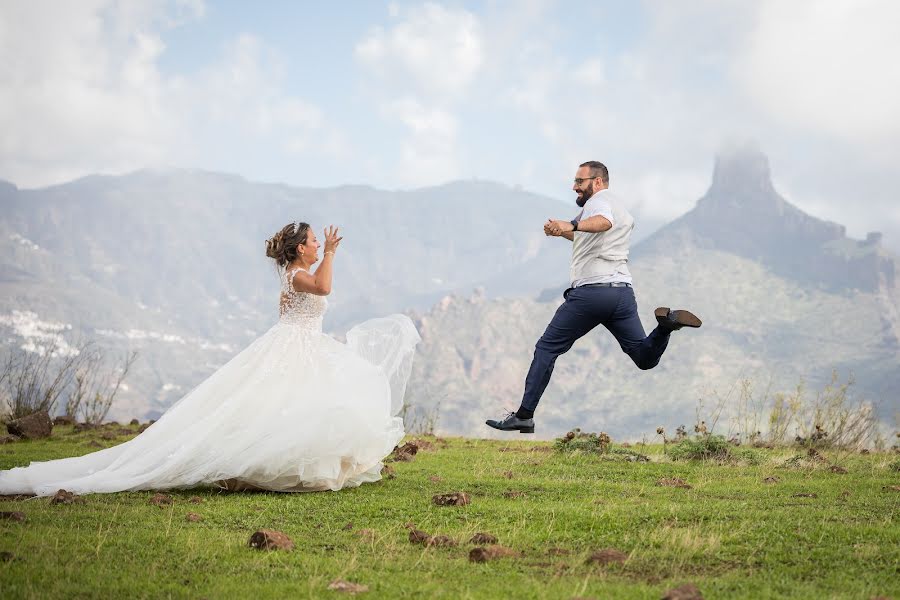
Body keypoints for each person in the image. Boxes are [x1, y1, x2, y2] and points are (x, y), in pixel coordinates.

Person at [0, 222, 420, 495]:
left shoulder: (292, 276)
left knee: (301, 409)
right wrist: (332, 253)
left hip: (303, 344)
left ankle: (293, 468)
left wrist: (325, 254)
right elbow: (325, 289)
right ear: (300, 250)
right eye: (312, 241)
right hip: (295, 346)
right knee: (291, 407)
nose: (318, 244)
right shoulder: (298, 274)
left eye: (317, 243)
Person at [486, 161, 701, 434]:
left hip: (591, 293)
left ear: (597, 182)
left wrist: (571, 225)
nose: (574, 186)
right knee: (644, 358)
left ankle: (524, 416)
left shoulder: (599, 202)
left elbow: (602, 223)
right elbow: (592, 238)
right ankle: (665, 327)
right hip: (622, 294)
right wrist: (563, 230)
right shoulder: (619, 207)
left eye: (580, 181)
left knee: (546, 349)